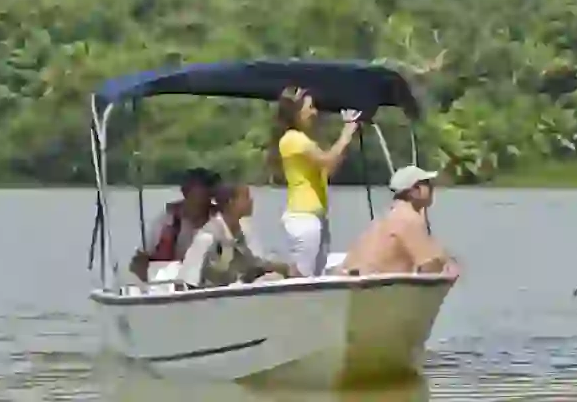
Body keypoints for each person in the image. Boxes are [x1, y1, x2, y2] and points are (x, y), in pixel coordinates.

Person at [268, 86, 363, 277]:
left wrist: (346, 140)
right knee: (303, 277)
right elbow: (327, 159)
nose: (315, 112)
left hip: (316, 217)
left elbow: (327, 170)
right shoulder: (292, 139)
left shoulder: (304, 140)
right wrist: (346, 131)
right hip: (303, 218)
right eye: (310, 107)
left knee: (316, 275)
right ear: (295, 112)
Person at [338, 165, 460, 277]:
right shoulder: (408, 218)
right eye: (427, 183)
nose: (432, 188)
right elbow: (429, 267)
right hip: (382, 290)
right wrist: (446, 263)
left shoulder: (383, 219)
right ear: (415, 190)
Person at [178, 184, 301, 288]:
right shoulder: (207, 237)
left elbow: (252, 264)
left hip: (231, 293)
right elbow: (187, 281)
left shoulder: (240, 231)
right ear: (232, 202)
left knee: (275, 277)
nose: (251, 201)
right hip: (211, 300)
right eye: (246, 197)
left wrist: (283, 268)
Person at [129, 167, 221, 282]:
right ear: (185, 192)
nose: (206, 195)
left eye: (209, 189)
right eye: (201, 188)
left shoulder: (220, 222)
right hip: (170, 287)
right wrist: (146, 272)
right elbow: (137, 264)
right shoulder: (166, 222)